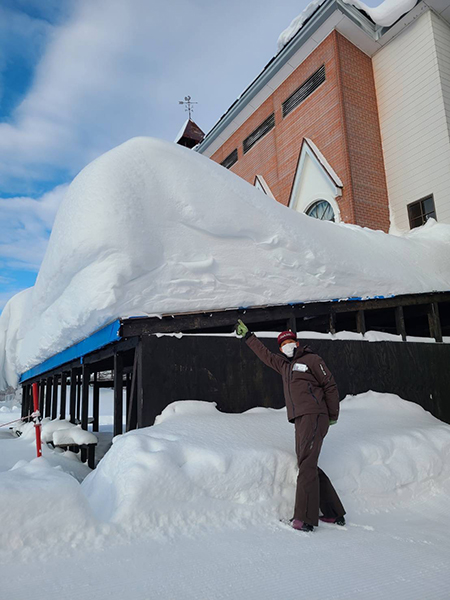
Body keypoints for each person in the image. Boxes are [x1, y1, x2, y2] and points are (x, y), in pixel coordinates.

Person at [235, 319, 345, 532]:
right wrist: (248, 336)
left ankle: (304, 520)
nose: (287, 345)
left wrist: (332, 414)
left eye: (290, 342)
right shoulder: (284, 366)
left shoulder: (312, 359)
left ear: (296, 342)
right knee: (307, 463)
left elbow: (330, 385)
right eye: (283, 344)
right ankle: (333, 511)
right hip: (301, 419)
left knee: (306, 465)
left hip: (314, 415)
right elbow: (265, 355)